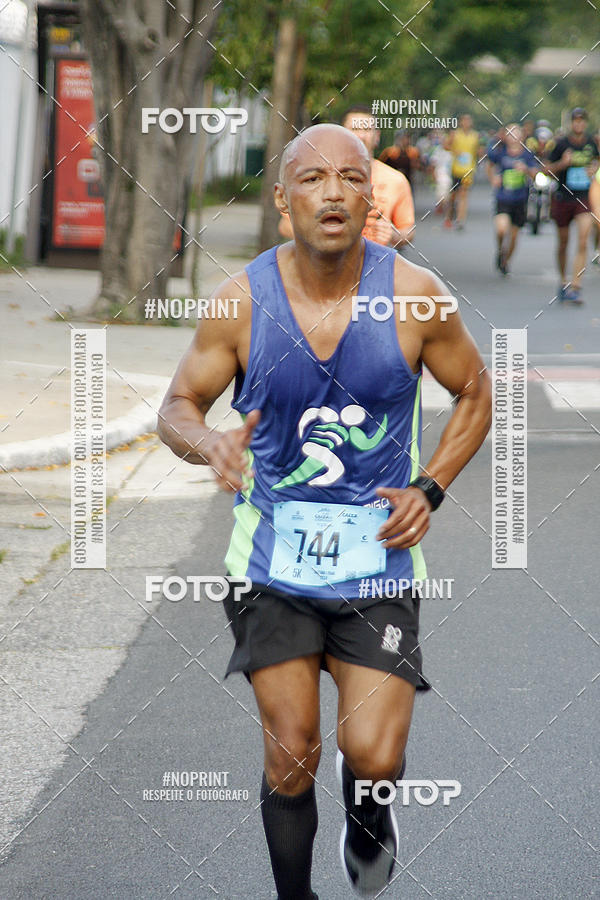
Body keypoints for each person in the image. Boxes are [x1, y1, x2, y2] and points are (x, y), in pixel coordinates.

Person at [158, 123, 492, 899]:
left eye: (350, 177)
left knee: (372, 756)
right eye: (311, 179)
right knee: (292, 750)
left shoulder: (415, 296)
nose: (333, 192)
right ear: (284, 203)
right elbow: (177, 404)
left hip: (378, 560)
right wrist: (207, 443)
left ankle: (370, 812)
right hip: (270, 560)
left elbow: (475, 390)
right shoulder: (241, 300)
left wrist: (430, 486)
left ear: (370, 197)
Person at [279, 105, 415, 248]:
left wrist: (394, 235)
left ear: (377, 136)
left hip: (376, 264)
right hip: (325, 265)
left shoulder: (396, 180)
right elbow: (285, 225)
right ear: (341, 135)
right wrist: (321, 236)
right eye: (355, 129)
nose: (361, 136)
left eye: (367, 130)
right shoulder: (317, 175)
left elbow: (409, 229)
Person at [546, 108, 599, 303]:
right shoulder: (561, 144)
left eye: (582, 120)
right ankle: (563, 281)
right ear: (571, 123)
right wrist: (563, 163)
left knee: (584, 239)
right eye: (575, 121)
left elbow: (596, 162)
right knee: (563, 242)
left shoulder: (591, 144)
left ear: (585, 123)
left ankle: (576, 285)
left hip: (583, 198)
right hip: (563, 198)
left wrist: (594, 168)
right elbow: (546, 169)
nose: (579, 124)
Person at [487, 123, 538, 275]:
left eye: (516, 133)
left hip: (520, 199)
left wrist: (526, 170)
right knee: (501, 229)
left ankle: (505, 261)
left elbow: (535, 173)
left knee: (514, 236)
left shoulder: (527, 154)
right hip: (503, 197)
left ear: (522, 136)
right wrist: (493, 179)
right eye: (510, 133)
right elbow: (489, 165)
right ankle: (500, 249)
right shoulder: (500, 152)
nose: (513, 137)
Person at [445, 114, 480, 230]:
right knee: (453, 196)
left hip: (468, 170)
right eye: (464, 121)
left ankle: (460, 220)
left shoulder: (475, 136)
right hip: (456, 169)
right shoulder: (455, 134)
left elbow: (478, 151)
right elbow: (446, 146)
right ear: (461, 122)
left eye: (468, 121)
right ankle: (449, 217)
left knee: (464, 194)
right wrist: (456, 151)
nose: (466, 123)